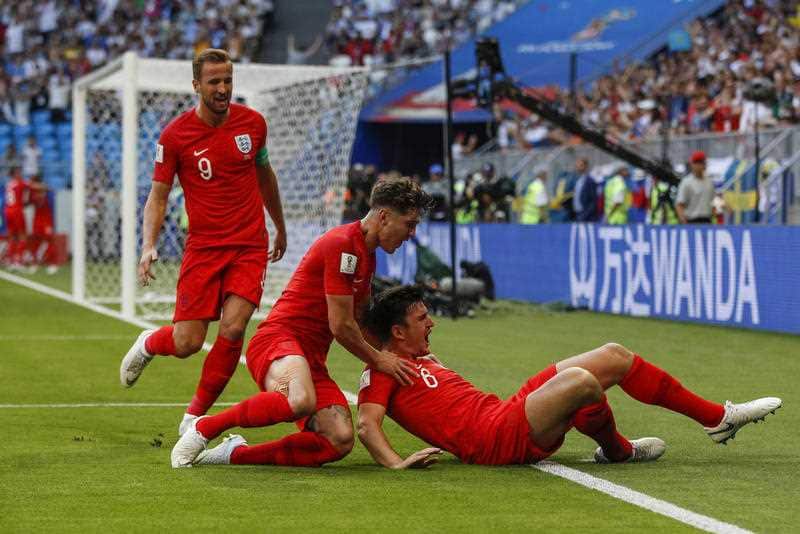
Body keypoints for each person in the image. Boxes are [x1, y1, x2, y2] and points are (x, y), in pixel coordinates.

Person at [355, 286, 781, 468]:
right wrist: (396, 463)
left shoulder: (420, 357)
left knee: (613, 356)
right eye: (423, 318)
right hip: (494, 442)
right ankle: (618, 451)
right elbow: (366, 424)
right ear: (398, 332)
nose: (432, 324)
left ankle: (715, 419)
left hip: (503, 413)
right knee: (580, 382)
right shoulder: (381, 368)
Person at [170, 178, 432, 468]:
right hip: (278, 339)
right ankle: (204, 428)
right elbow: (342, 326)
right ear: (384, 216)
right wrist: (381, 360)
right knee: (301, 400)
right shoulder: (342, 244)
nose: (412, 233)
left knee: (340, 439)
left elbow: (359, 320)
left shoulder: (366, 258)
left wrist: (403, 355)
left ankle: (233, 454)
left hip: (311, 360)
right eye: (409, 224)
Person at [119, 49, 288, 436]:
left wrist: (279, 226)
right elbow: (158, 196)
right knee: (187, 342)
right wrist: (148, 245)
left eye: (228, 80)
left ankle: (193, 417)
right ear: (196, 86)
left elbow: (266, 177)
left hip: (248, 246)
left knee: (233, 328)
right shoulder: (175, 136)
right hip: (204, 249)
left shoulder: (253, 125)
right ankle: (149, 344)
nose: (223, 88)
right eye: (214, 82)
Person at [28, 174, 58, 274]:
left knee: (50, 241)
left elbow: (50, 190)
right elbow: (28, 203)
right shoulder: (32, 192)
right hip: (36, 220)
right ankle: (35, 263)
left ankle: (52, 263)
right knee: (35, 242)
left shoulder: (47, 192)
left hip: (47, 221)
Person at [676, 150, 714, 224]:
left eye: (702, 163)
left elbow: (713, 200)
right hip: (692, 221)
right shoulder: (686, 182)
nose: (700, 166)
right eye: (697, 163)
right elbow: (680, 204)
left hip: (707, 220)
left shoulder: (709, 182)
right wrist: (683, 219)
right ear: (692, 165)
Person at [3, 166, 29, 269]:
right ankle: (18, 261)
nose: (20, 174)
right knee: (22, 235)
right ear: (14, 174)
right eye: (18, 172)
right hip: (16, 211)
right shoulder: (20, 183)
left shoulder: (9, 184)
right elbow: (32, 186)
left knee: (12, 236)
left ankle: (10, 260)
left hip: (7, 210)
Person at [572, 158, 598, 222]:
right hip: (576, 213)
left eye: (580, 165)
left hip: (585, 216)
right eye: (577, 166)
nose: (578, 167)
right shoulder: (577, 180)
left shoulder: (590, 181)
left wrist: (585, 215)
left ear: (586, 167)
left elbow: (593, 201)